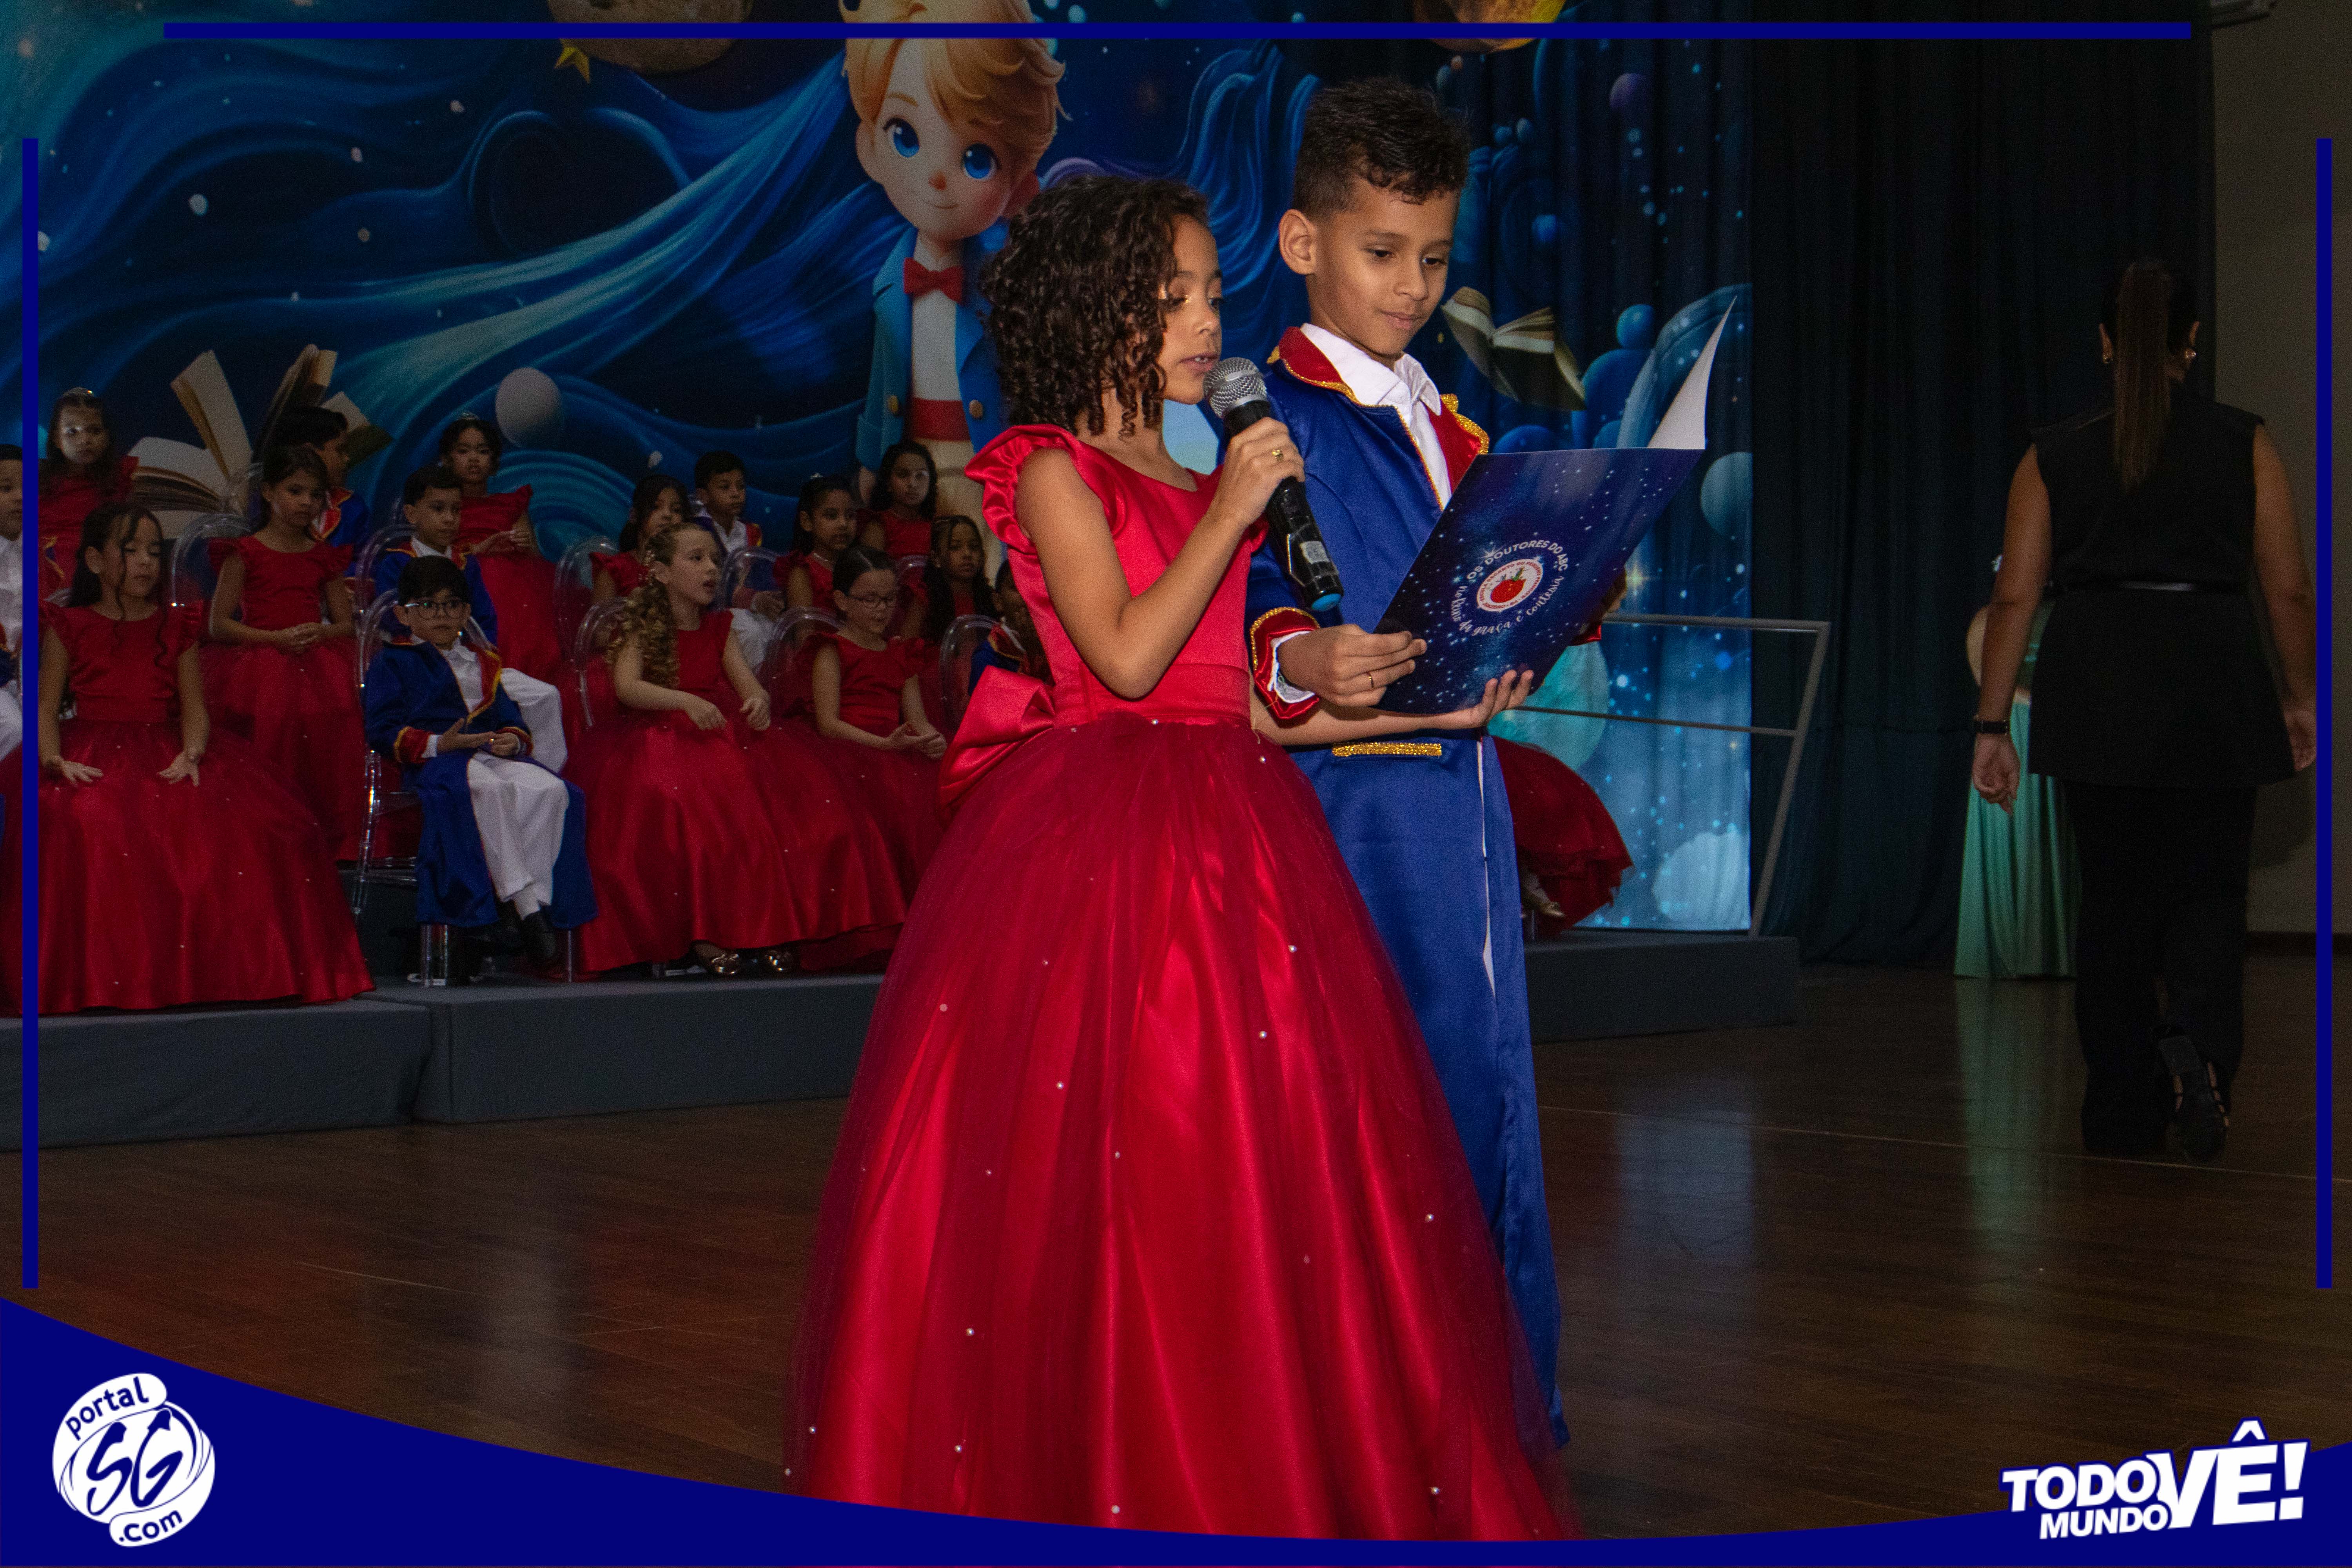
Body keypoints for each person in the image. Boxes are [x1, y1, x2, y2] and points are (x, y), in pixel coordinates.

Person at [789, 174, 1569, 1539]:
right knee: (1116, 1171)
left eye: (1210, 294)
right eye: (1175, 299)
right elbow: (1125, 658)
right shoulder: (1051, 468)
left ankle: (1255, 1457)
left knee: (1257, 1184)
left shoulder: (1209, 477)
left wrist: (1436, 701)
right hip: (1105, 853)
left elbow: (1245, 701)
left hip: (1243, 842)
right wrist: (1231, 512)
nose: (1209, 322)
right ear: (1099, 312)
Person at [1237, 77, 1567, 1444]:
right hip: (1345, 820)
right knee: (1366, 1112)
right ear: (1301, 241)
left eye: (1433, 256)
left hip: (1461, 806)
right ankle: (1368, 1425)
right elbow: (1251, 608)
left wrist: (1540, 618)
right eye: (1382, 251)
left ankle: (1470, 1410)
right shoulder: (1268, 418)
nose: (1413, 285)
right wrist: (1299, 655)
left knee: (1475, 1090)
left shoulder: (1460, 429)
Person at [1973, 258, 2318, 1163]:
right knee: (2210, 891)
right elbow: (2287, 590)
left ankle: (2121, 1109)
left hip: (2098, 684)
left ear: (2103, 342)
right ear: (2190, 343)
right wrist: (2298, 696)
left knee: (2114, 902)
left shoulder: (2052, 453)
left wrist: (1991, 725)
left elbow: (2014, 597)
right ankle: (2198, 1050)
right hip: (2215, 676)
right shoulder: (2245, 442)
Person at [29, 501, 371, 1014]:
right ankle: (109, 977)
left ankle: (225, 971)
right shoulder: (69, 623)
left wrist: (192, 752)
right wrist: (55, 760)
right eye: (132, 551)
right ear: (96, 561)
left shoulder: (176, 624)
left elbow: (194, 707)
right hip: (90, 747)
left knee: (258, 825)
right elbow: (44, 707)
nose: (146, 562)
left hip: (169, 745)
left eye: (153, 552)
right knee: (90, 815)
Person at [570, 521, 902, 976]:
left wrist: (758, 702)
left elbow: (750, 686)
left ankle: (765, 928)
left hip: (717, 732)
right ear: (661, 572)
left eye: (714, 559)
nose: (711, 568)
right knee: (695, 803)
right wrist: (686, 701)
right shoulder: (641, 624)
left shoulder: (719, 626)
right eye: (696, 559)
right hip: (659, 735)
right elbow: (628, 686)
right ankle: (705, 933)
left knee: (773, 806)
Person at [840, 0, 1063, 552]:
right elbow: (881, 379)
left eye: (977, 157)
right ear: (871, 147)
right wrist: (871, 457)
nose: (936, 179)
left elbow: (1028, 381)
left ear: (1020, 183)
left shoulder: (1005, 290)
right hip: (908, 473)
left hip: (987, 468)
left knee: (986, 572)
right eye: (906, 136)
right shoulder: (891, 283)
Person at [363, 555, 594, 969]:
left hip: (486, 754)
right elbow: (382, 729)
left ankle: (526, 905)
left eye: (451, 605)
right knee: (489, 789)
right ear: (403, 615)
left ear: (466, 612)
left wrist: (513, 739)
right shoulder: (393, 661)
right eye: (427, 606)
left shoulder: (485, 662)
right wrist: (440, 743)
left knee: (553, 791)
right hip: (436, 763)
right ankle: (527, 909)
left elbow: (509, 716)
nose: (441, 615)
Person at [203, 446, 366, 858]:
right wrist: (273, 639)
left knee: (335, 725)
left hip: (316, 660)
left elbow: (347, 624)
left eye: (315, 495)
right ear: (269, 492)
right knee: (273, 727)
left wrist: (322, 631)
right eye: (295, 491)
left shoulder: (322, 555)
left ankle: (328, 837)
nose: (306, 502)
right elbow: (218, 624)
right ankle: (267, 834)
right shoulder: (245, 552)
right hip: (259, 663)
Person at [803, 544, 946, 897]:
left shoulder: (900, 654)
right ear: (842, 600)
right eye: (870, 600)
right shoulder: (832, 649)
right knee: (869, 820)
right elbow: (828, 723)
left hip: (895, 748)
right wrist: (884, 745)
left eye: (889, 599)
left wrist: (934, 741)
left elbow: (918, 720)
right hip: (846, 754)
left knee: (928, 812)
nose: (882, 609)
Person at [1955, 578, 2076, 979]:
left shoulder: (2064, 613)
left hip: (2058, 724)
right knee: (2019, 826)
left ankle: (2056, 950)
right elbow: (1984, 674)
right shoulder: (1987, 619)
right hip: (2017, 725)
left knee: (2059, 832)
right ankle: (2010, 950)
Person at [439, 415, 564, 682]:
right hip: (464, 580)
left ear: (494, 460)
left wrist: (521, 544)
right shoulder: (444, 507)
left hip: (520, 585)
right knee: (491, 574)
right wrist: (482, 549)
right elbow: (435, 555)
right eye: (463, 451)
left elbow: (535, 557)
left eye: (482, 452)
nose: (474, 459)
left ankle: (528, 674)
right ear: (448, 459)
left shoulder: (511, 504)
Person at [36, 388, 136, 599]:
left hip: (108, 580)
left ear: (107, 437)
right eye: (73, 432)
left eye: (95, 431)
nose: (85, 440)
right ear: (56, 439)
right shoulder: (36, 481)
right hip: (48, 585)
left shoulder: (123, 478)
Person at [273, 404, 372, 548]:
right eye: (340, 450)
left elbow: (365, 559)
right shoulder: (268, 508)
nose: (347, 459)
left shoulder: (352, 508)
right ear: (309, 453)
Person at [592, 474, 686, 603]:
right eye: (655, 507)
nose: (667, 515)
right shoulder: (615, 570)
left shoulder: (687, 568)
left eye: (676, 510)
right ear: (634, 516)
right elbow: (600, 616)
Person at [782, 475, 860, 611]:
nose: (843, 524)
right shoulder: (802, 573)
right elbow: (804, 625)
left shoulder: (862, 566)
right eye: (831, 516)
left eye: (850, 516)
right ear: (807, 522)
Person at [858, 439, 939, 558]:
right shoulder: (879, 527)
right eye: (903, 475)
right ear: (888, 482)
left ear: (930, 482)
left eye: (920, 476)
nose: (912, 484)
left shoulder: (937, 529)